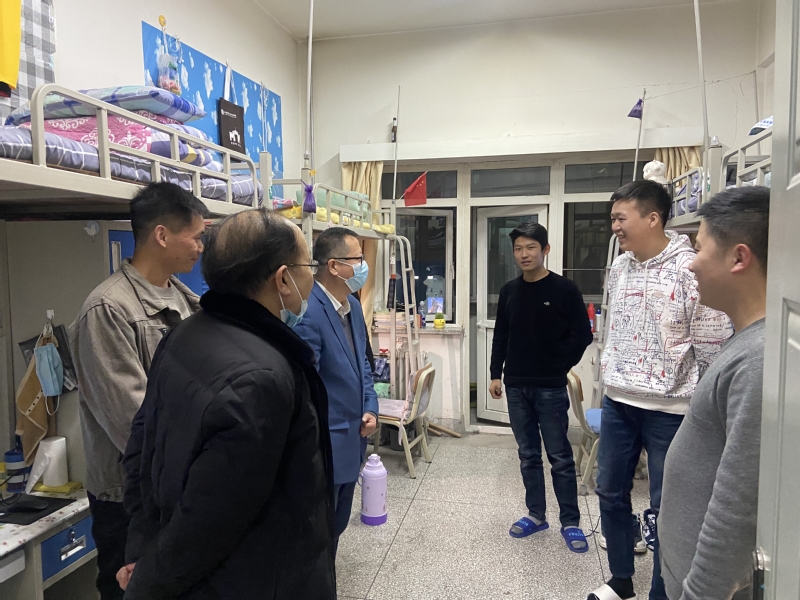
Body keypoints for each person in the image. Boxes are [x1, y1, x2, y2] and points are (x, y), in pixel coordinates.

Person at [119, 209, 336, 599]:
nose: (313, 278)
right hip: (251, 580)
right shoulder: (262, 379)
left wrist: (140, 549)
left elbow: (141, 449)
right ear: (283, 279)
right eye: (309, 266)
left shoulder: (184, 334)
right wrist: (146, 582)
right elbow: (209, 520)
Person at [587, 181, 733, 600]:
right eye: (612, 218)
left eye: (620, 218)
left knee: (667, 508)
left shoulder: (691, 268)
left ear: (652, 218)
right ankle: (620, 581)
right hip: (618, 401)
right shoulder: (620, 267)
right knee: (610, 492)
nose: (614, 226)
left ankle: (661, 592)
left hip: (672, 410)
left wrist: (708, 413)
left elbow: (711, 346)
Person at [69, 182, 208, 600]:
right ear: (162, 235)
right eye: (196, 237)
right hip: (131, 499)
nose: (201, 247)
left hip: (176, 485)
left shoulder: (187, 301)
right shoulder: (108, 310)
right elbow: (133, 425)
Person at [659, 187, 769, 600]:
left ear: (739, 257)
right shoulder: (745, 342)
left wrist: (701, 592)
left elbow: (739, 506)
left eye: (699, 248)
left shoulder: (758, 359)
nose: (690, 263)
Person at [489, 222, 593, 553]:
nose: (524, 254)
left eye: (531, 247)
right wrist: (495, 373)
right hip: (516, 385)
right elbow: (501, 334)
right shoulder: (509, 291)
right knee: (528, 455)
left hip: (550, 388)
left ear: (545, 250)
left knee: (560, 456)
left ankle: (571, 522)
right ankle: (536, 515)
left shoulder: (564, 289)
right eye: (518, 248)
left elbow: (583, 335)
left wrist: (559, 364)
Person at [294, 227, 379, 553]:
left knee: (337, 524)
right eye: (357, 259)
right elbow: (306, 388)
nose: (363, 266)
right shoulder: (307, 312)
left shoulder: (352, 306)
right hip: (325, 445)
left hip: (354, 439)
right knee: (318, 531)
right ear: (333, 266)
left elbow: (363, 366)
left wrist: (370, 407)